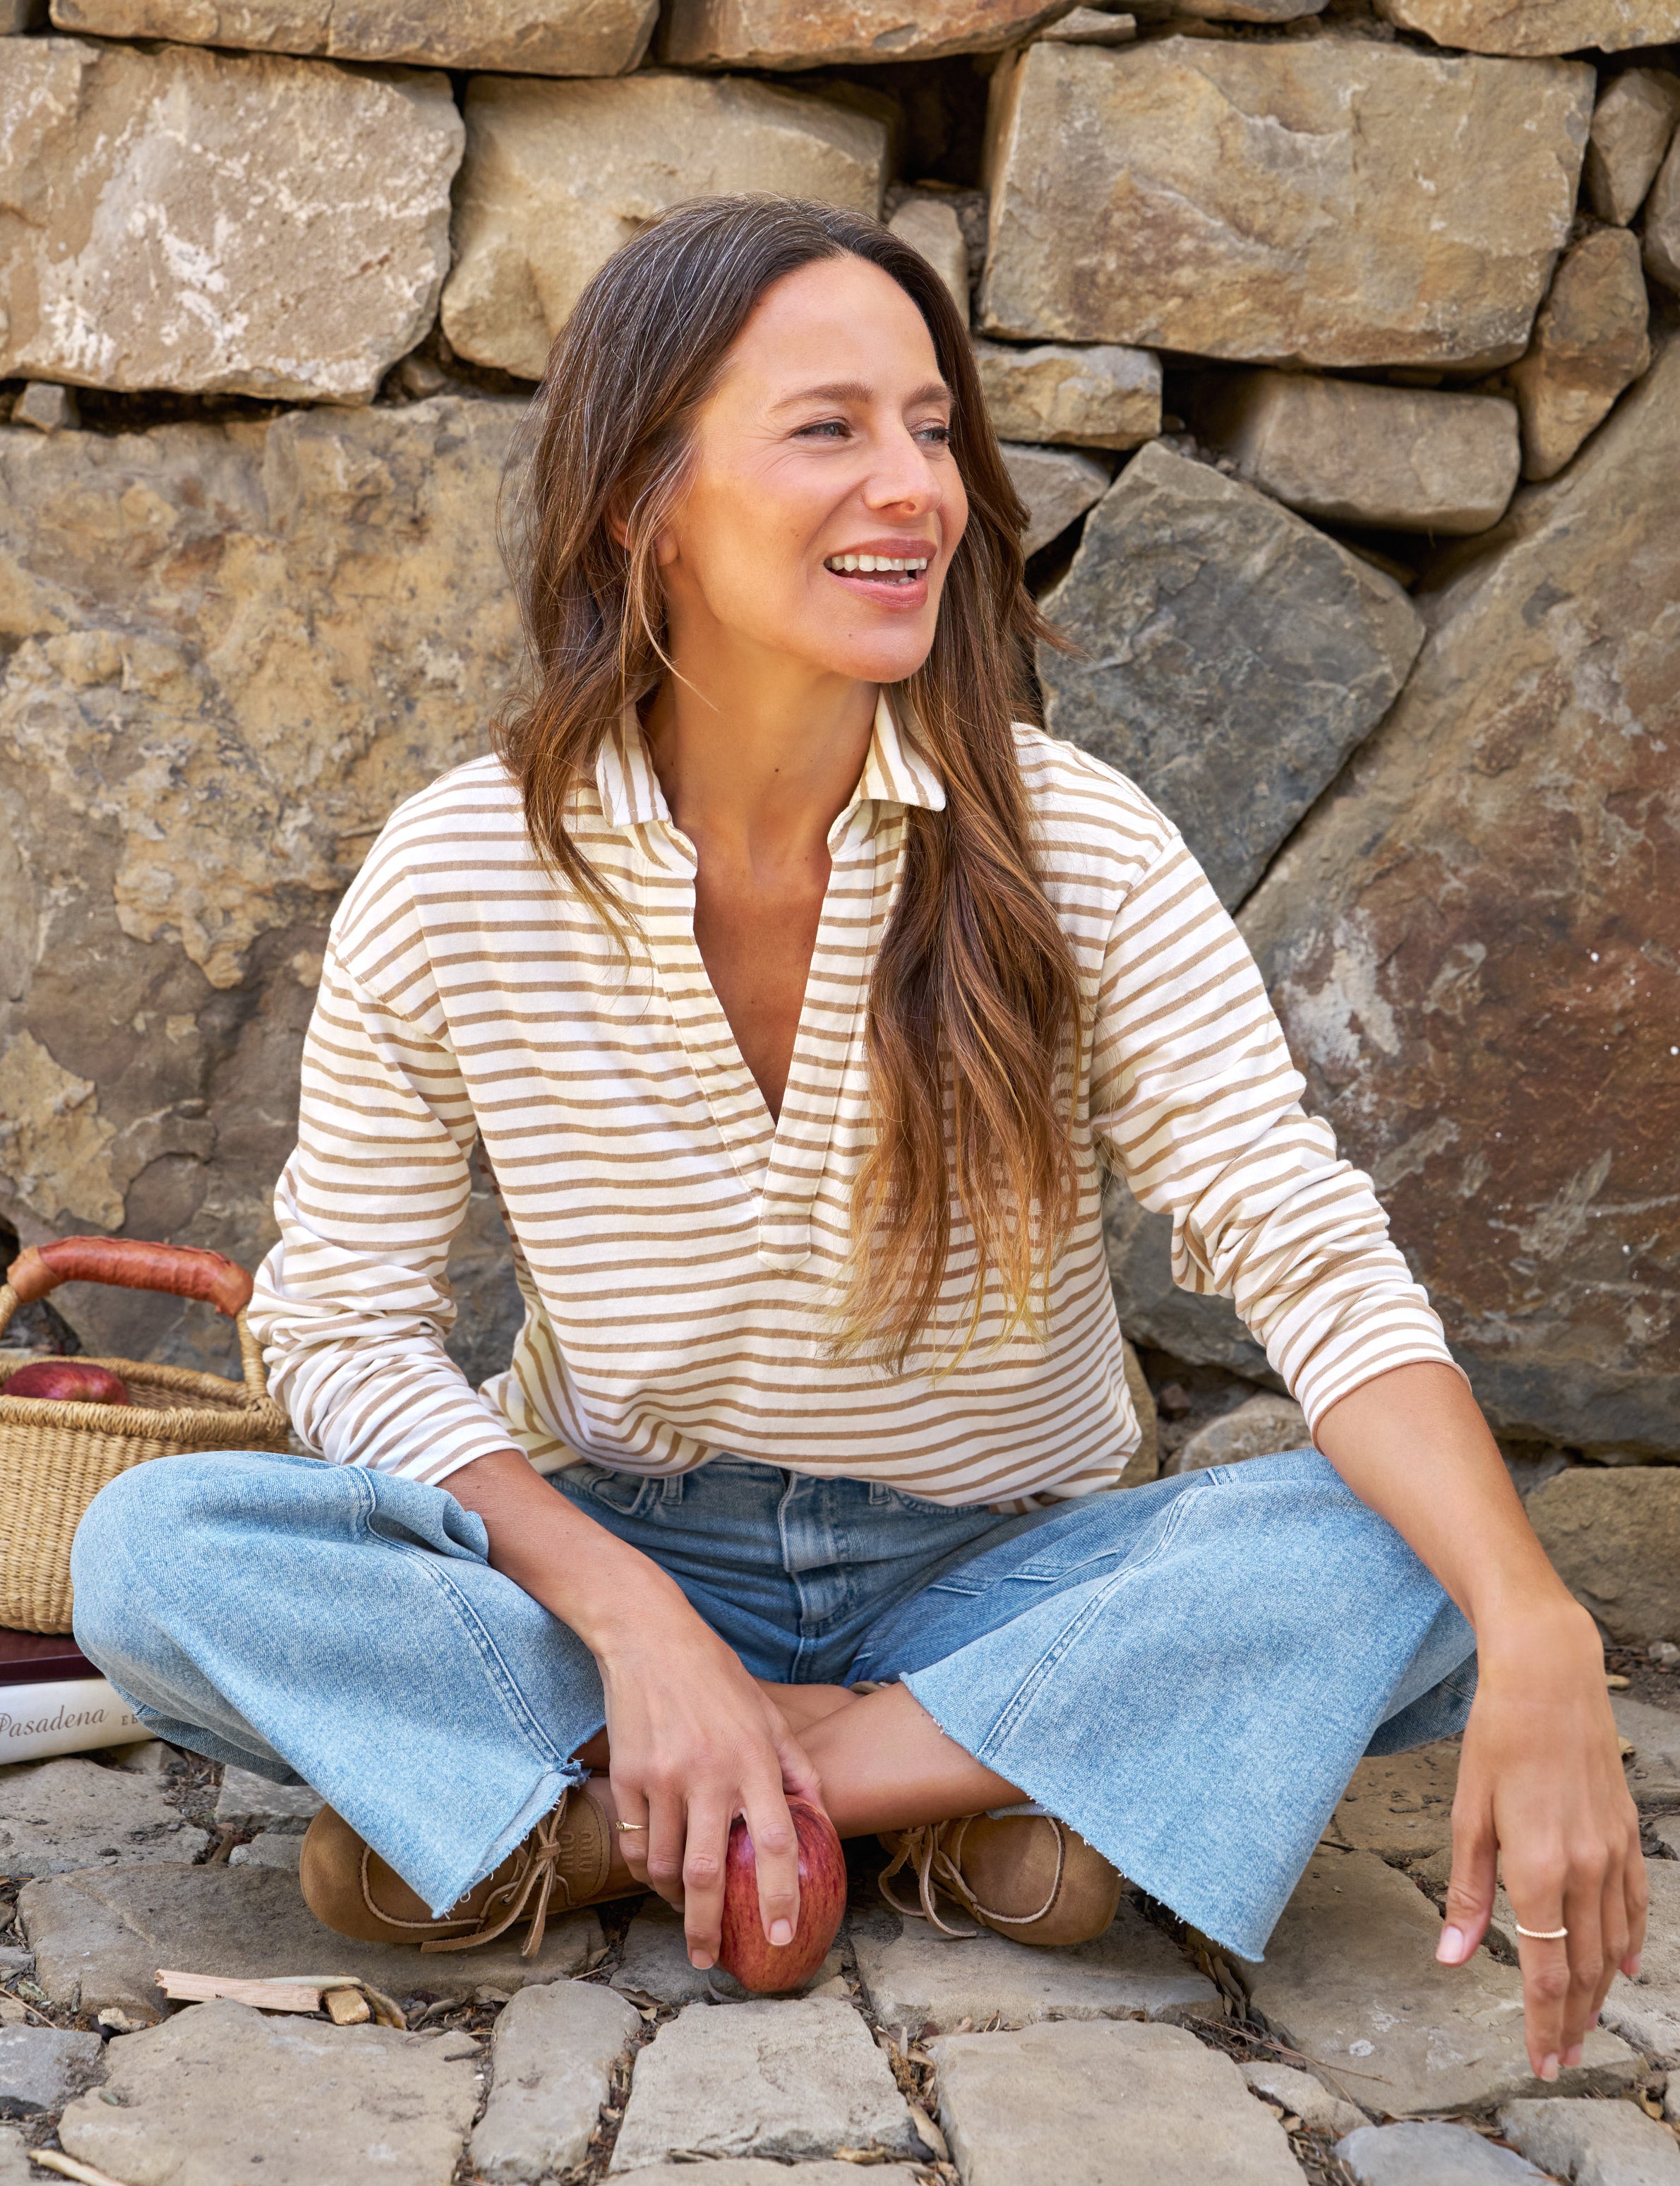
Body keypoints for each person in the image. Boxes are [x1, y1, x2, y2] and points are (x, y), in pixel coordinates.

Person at [71, 196, 1641, 2074]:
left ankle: (637, 1816)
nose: (913, 485)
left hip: (1001, 1569)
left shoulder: (1076, 847)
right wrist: (642, 1624)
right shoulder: (460, 868)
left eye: (928, 427)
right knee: (156, 1551)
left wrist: (1540, 1630)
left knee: (1412, 1556)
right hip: (614, 1545)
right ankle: (966, 1798)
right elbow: (336, 1326)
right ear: (641, 496)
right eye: (828, 428)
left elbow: (1299, 1245)